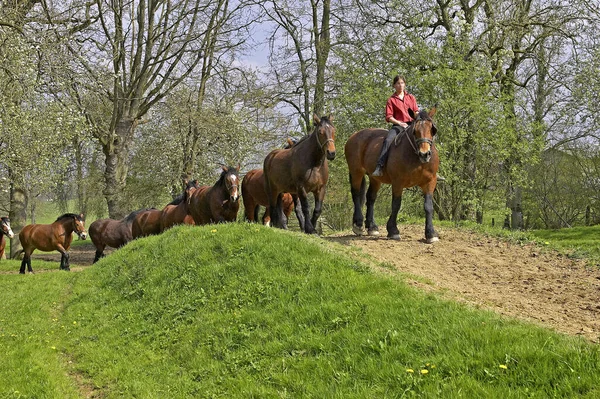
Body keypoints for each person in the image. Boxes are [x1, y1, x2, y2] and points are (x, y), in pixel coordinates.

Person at [372, 75, 418, 177]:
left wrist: (419, 117)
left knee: (425, 138)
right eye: (398, 83)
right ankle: (380, 166)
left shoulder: (411, 97)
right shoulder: (391, 100)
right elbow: (389, 116)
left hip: (412, 125)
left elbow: (416, 111)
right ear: (394, 85)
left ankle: (432, 171)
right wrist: (399, 123)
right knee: (388, 140)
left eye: (402, 83)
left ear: (405, 84)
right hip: (398, 126)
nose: (400, 85)